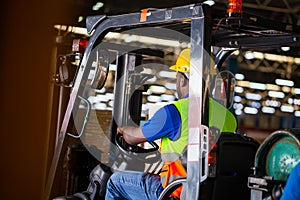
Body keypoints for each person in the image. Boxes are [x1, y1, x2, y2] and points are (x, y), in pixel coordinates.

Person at [105, 48, 191, 200]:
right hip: (203, 190)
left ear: (182, 79)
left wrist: (123, 130)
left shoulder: (174, 112)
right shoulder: (227, 117)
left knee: (115, 182)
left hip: (175, 192)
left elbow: (132, 138)